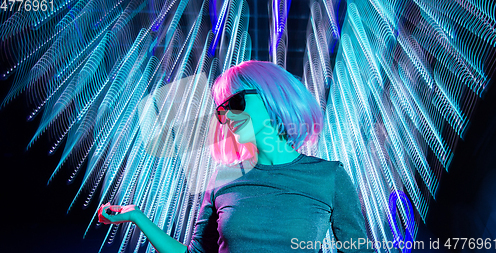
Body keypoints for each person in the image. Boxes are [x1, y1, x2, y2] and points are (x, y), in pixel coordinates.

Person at [99, 61, 370, 253]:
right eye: (221, 111)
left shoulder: (329, 177)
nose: (226, 116)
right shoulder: (223, 179)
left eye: (235, 103)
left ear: (272, 96)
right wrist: (139, 218)